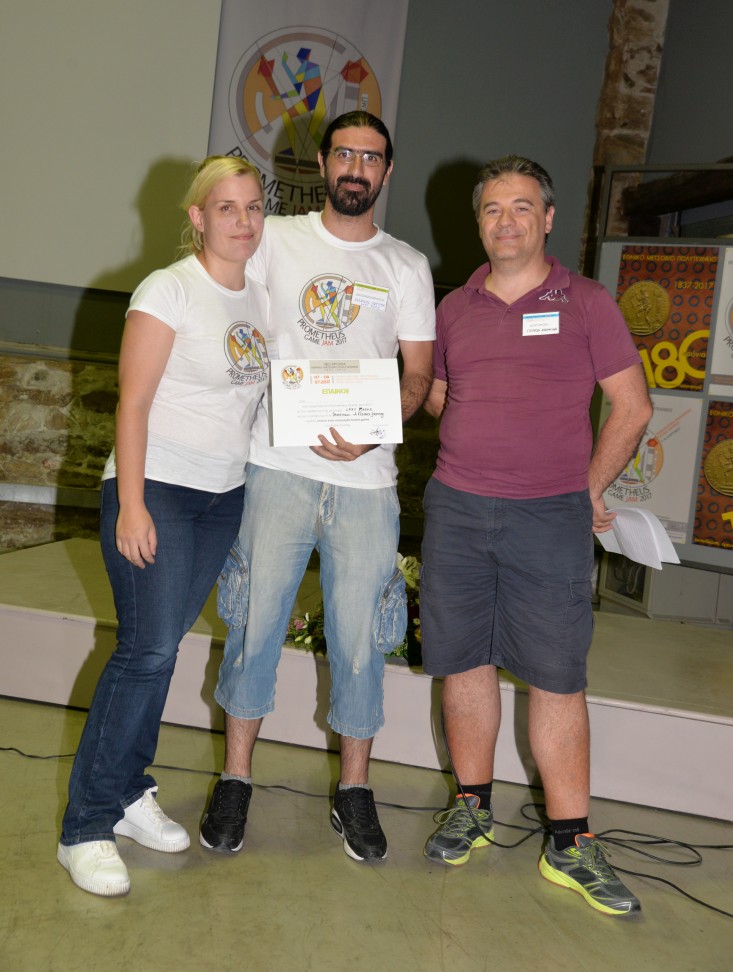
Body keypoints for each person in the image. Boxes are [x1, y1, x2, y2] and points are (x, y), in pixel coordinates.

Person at [199, 111, 435, 862]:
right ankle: (235, 778)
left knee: (361, 637)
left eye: (371, 157)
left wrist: (377, 425)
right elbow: (228, 315)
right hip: (277, 468)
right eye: (344, 154)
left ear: (386, 171)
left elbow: (419, 374)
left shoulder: (406, 265)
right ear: (324, 163)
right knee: (254, 623)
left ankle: (354, 790)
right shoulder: (275, 239)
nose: (356, 168)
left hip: (365, 480)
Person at [420, 155, 652, 915]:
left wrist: (586, 489)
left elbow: (632, 407)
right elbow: (442, 396)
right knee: (463, 662)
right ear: (478, 222)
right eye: (492, 209)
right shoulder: (454, 307)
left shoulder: (586, 302)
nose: (506, 221)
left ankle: (571, 841)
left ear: (548, 219)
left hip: (548, 516)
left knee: (556, 674)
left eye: (522, 207)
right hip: (457, 509)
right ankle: (472, 806)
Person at [57, 156, 270, 897]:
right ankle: (85, 828)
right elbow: (134, 403)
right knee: (144, 652)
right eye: (227, 207)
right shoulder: (168, 289)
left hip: (222, 498)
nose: (243, 220)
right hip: (159, 492)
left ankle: (127, 792)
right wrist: (134, 503)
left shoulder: (257, 296)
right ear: (198, 217)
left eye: (253, 207)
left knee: (162, 648)